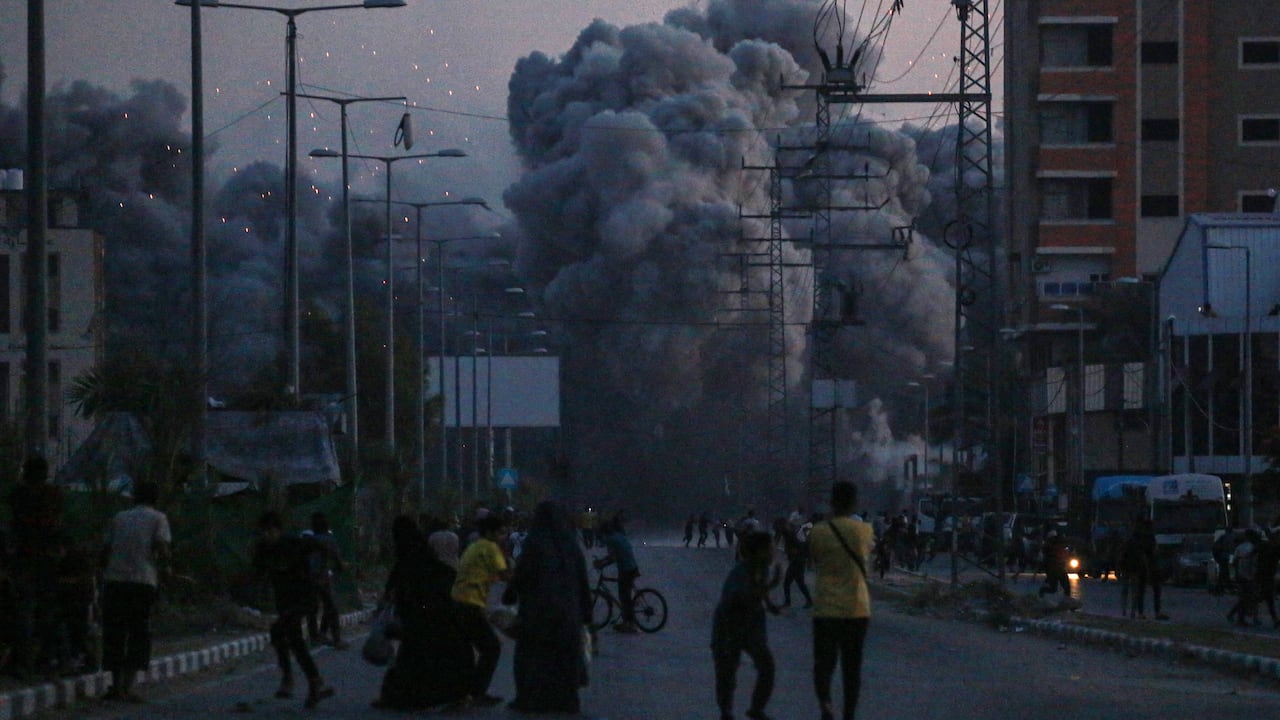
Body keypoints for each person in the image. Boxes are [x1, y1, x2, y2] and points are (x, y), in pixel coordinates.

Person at [374, 516, 473, 710]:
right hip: (432, 610)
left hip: (419, 612)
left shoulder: (408, 555)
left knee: (412, 655)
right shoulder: (426, 554)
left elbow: (399, 581)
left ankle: (405, 696)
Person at [506, 501, 592, 714]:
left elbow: (522, 573)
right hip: (568, 614)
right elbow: (582, 582)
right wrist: (586, 616)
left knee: (529, 657)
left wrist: (510, 595)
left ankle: (526, 699)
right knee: (566, 659)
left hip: (537, 614)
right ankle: (568, 701)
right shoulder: (570, 544)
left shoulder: (535, 542)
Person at [253, 511, 334, 709]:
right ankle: (315, 682)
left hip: (304, 597)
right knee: (294, 640)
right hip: (284, 601)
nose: (266, 536)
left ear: (277, 531)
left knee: (279, 630)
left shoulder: (294, 542)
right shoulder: (264, 549)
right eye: (263, 532)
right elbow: (258, 572)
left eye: (270, 532)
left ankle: (288, 679)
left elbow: (324, 547)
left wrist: (324, 572)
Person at [807, 481, 874, 720]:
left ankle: (826, 704)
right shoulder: (864, 530)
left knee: (823, 665)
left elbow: (814, 560)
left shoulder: (818, 531)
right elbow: (867, 557)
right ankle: (849, 715)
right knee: (851, 669)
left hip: (826, 608)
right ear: (854, 502)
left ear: (831, 502)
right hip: (857, 608)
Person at [100, 481, 170, 702]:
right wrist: (168, 566)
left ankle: (114, 685)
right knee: (138, 632)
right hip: (143, 581)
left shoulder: (119, 518)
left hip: (115, 580)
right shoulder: (159, 518)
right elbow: (161, 547)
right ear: (155, 498)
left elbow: (105, 549)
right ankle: (128, 686)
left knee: (115, 632)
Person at [711, 529, 781, 720]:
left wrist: (770, 604)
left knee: (767, 666)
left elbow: (759, 591)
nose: (773, 552)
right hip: (728, 626)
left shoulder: (762, 568)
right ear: (758, 551)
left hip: (751, 625)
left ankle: (756, 709)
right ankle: (726, 713)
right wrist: (772, 585)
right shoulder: (740, 572)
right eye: (770, 548)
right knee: (727, 673)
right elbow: (743, 597)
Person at [9, 455, 64, 678]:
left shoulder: (19, 495)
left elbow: (15, 524)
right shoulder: (53, 495)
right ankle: (46, 660)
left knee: (24, 611)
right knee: (47, 612)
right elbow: (57, 525)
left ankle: (24, 661)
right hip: (46, 559)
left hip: (24, 559)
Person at [451, 513, 510, 707]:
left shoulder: (474, 546)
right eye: (501, 533)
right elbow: (506, 575)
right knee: (491, 648)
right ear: (490, 533)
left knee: (468, 650)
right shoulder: (491, 548)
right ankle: (476, 693)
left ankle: (465, 693)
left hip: (459, 601)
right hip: (470, 603)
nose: (504, 536)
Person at [302, 512, 346, 648]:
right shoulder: (329, 539)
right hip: (323, 578)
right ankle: (337, 640)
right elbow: (337, 560)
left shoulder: (308, 540)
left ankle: (314, 637)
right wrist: (341, 566)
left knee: (312, 609)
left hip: (309, 578)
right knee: (331, 608)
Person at [595, 513, 641, 633]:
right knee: (625, 594)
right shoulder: (618, 535)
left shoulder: (611, 540)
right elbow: (614, 555)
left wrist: (601, 563)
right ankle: (627, 618)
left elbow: (613, 557)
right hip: (632, 567)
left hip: (626, 569)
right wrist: (603, 561)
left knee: (624, 597)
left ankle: (630, 624)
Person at [1227, 529, 1260, 627]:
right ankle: (1238, 617)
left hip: (1240, 575)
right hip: (1248, 576)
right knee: (1248, 597)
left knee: (1244, 597)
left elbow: (1233, 562)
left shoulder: (1239, 547)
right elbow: (1254, 563)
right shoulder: (1252, 548)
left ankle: (1237, 616)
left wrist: (1235, 573)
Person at [780, 516, 813, 609]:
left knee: (787, 583)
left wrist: (794, 553)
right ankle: (809, 601)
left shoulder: (790, 535)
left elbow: (799, 547)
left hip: (797, 561)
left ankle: (788, 602)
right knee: (799, 583)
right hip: (798, 561)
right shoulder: (789, 535)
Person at [1255, 529, 1279, 628]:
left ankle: (1274, 619)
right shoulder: (1270, 547)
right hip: (1265, 576)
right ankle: (1274, 619)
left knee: (1264, 598)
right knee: (1265, 598)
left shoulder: (1266, 546)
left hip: (1265, 575)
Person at [1037, 531, 1071, 599]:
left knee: (1055, 588)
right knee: (1063, 587)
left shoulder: (1049, 545)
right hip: (1056, 569)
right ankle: (1067, 601)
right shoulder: (1050, 546)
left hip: (1055, 569)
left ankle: (1067, 601)